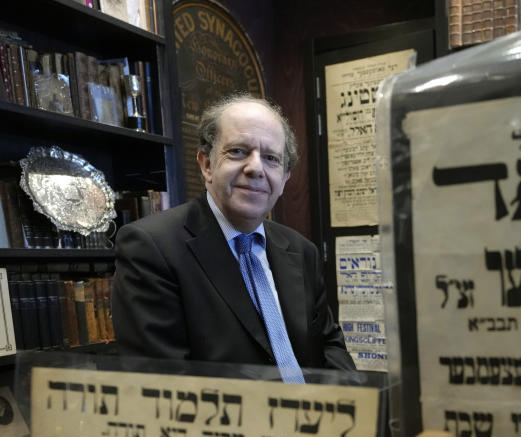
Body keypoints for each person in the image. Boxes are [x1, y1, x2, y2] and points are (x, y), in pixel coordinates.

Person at [111, 94, 355, 380]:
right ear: (207, 165)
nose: (255, 168)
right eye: (238, 151)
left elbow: (329, 347)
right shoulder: (151, 249)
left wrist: (353, 410)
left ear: (285, 178)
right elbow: (166, 386)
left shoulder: (302, 251)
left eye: (271, 158)